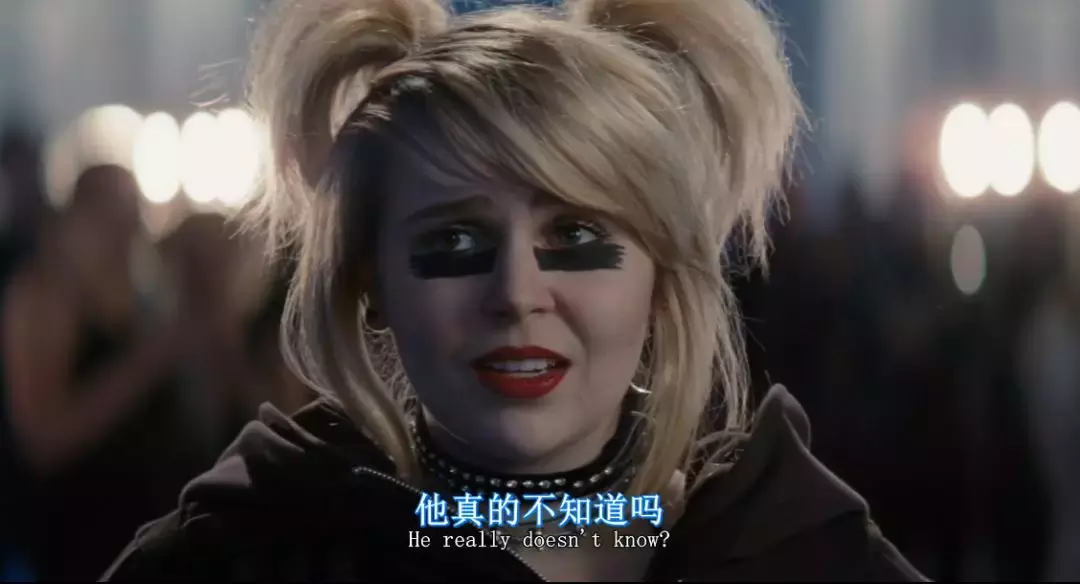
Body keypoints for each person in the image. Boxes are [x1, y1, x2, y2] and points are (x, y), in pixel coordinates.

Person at [102, 0, 927, 580]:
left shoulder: (794, 549)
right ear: (370, 284)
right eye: (455, 241)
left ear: (660, 278)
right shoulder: (244, 553)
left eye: (576, 236)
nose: (517, 294)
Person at [1, 165, 207, 580]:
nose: (122, 235)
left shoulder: (138, 297)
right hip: (72, 536)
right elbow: (42, 442)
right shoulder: (39, 298)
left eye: (131, 219)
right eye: (110, 218)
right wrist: (145, 363)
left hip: (141, 529)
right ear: (76, 218)